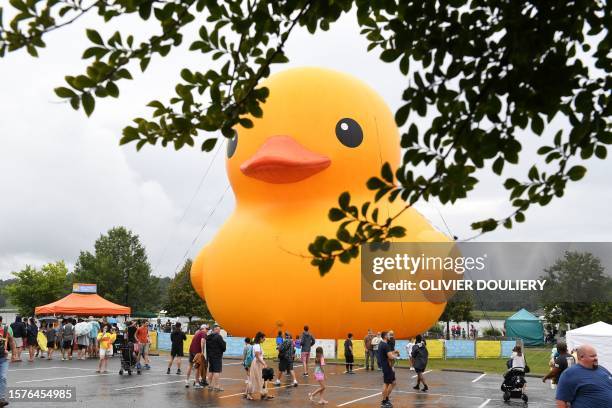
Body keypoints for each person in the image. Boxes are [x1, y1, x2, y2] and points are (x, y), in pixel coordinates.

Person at [247, 332, 273, 400]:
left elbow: (259, 356)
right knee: (254, 379)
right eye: (263, 338)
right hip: (257, 364)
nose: (264, 339)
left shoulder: (258, 345)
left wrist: (263, 363)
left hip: (259, 363)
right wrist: (264, 363)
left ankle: (264, 393)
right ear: (260, 338)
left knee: (263, 379)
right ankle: (249, 395)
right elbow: (257, 356)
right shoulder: (257, 346)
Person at [379, 331, 399, 407]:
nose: (389, 336)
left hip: (386, 365)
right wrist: (396, 356)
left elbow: (387, 353)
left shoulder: (381, 344)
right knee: (386, 383)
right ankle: (384, 401)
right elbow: (390, 356)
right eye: (388, 335)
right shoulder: (385, 345)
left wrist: (394, 352)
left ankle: (386, 399)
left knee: (393, 383)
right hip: (387, 366)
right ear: (385, 336)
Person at [185, 324, 208, 388]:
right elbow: (202, 341)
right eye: (207, 329)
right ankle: (197, 383)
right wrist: (202, 352)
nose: (207, 330)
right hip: (197, 352)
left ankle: (187, 381)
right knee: (198, 367)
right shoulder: (203, 333)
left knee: (190, 366)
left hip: (191, 351)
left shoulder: (197, 333)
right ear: (203, 328)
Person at [206, 324, 226, 391]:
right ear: (215, 330)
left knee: (211, 370)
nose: (219, 331)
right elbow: (223, 347)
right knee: (217, 371)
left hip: (210, 355)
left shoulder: (208, 337)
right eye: (218, 329)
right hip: (217, 355)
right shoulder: (218, 337)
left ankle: (209, 385)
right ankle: (217, 386)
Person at [0, 316, 14, 407]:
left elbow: (12, 342)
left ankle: (1, 399)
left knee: (3, 377)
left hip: (3, 358)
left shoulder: (7, 329)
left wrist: (14, 354)